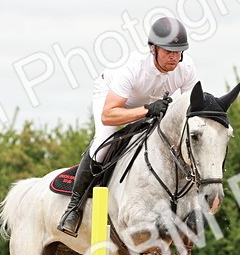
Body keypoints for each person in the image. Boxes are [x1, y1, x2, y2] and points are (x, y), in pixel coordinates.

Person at [57, 16, 199, 236]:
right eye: (168, 51)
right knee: (103, 144)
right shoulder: (133, 68)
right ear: (153, 49)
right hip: (111, 98)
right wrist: (147, 110)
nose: (174, 57)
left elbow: (192, 110)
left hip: (154, 104)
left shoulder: (187, 68)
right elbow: (109, 115)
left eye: (178, 51)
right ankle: (73, 208)